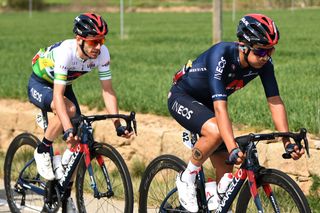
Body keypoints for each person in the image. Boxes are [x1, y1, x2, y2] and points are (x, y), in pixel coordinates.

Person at [167, 13, 305, 212]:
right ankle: (186, 177)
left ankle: (211, 195)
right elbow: (220, 108)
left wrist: (286, 140)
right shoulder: (221, 55)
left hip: (209, 106)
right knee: (216, 132)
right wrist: (232, 147)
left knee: (225, 177)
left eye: (271, 51)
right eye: (260, 51)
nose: (265, 56)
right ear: (244, 45)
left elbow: (274, 100)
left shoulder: (264, 64)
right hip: (182, 96)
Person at [28, 13, 133, 181]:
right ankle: (42, 149)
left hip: (64, 85)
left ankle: (62, 194)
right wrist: (68, 127)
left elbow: (107, 91)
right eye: (93, 42)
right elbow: (57, 94)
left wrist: (117, 124)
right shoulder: (66, 53)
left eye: (101, 40)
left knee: (77, 145)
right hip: (40, 83)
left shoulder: (102, 54)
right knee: (69, 111)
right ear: (79, 39)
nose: (98, 47)